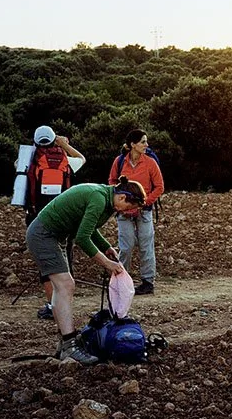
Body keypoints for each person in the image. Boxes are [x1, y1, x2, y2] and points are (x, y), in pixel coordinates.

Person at [25, 177, 141, 364]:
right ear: (122, 197)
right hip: (43, 235)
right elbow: (82, 238)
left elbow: (89, 228)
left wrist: (106, 247)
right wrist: (107, 263)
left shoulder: (106, 199)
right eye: (127, 207)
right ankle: (69, 345)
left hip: (56, 237)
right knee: (66, 285)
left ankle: (65, 341)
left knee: (62, 288)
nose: (124, 211)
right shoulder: (99, 198)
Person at [21, 125, 86, 320]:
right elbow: (82, 159)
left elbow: (18, 166)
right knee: (65, 257)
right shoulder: (65, 159)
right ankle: (66, 303)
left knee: (46, 260)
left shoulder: (31, 160)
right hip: (64, 216)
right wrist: (64, 144)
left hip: (37, 216)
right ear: (53, 140)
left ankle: (51, 305)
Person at [108, 129, 164, 295]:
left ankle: (147, 282)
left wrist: (144, 202)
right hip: (124, 212)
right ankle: (120, 279)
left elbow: (159, 186)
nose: (146, 145)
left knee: (146, 246)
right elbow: (111, 182)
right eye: (143, 142)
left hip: (144, 210)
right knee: (126, 246)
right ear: (133, 144)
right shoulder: (119, 162)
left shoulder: (150, 163)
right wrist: (120, 201)